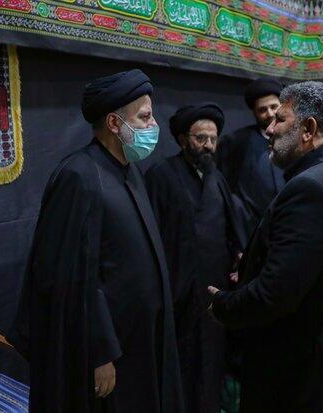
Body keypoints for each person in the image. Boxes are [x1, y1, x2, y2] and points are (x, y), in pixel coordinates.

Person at [209, 81, 323, 413]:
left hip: (314, 384)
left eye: (280, 120)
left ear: (308, 130)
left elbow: (275, 294)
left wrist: (223, 305)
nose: (270, 129)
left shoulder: (313, 188)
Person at [8, 69, 184, 413]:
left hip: (140, 339)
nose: (153, 125)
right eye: (144, 117)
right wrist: (100, 353)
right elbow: (69, 278)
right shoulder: (79, 176)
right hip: (108, 350)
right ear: (115, 123)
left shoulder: (129, 170)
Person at [145, 103, 247, 413]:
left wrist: (239, 255)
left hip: (214, 291)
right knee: (184, 363)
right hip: (180, 291)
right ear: (182, 139)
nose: (208, 145)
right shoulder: (161, 175)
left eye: (213, 139)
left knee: (212, 362)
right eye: (201, 138)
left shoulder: (216, 176)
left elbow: (232, 225)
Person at [217, 77, 285, 231]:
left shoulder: (296, 140)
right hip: (252, 229)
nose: (270, 114)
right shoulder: (236, 142)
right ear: (254, 112)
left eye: (274, 107)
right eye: (262, 110)